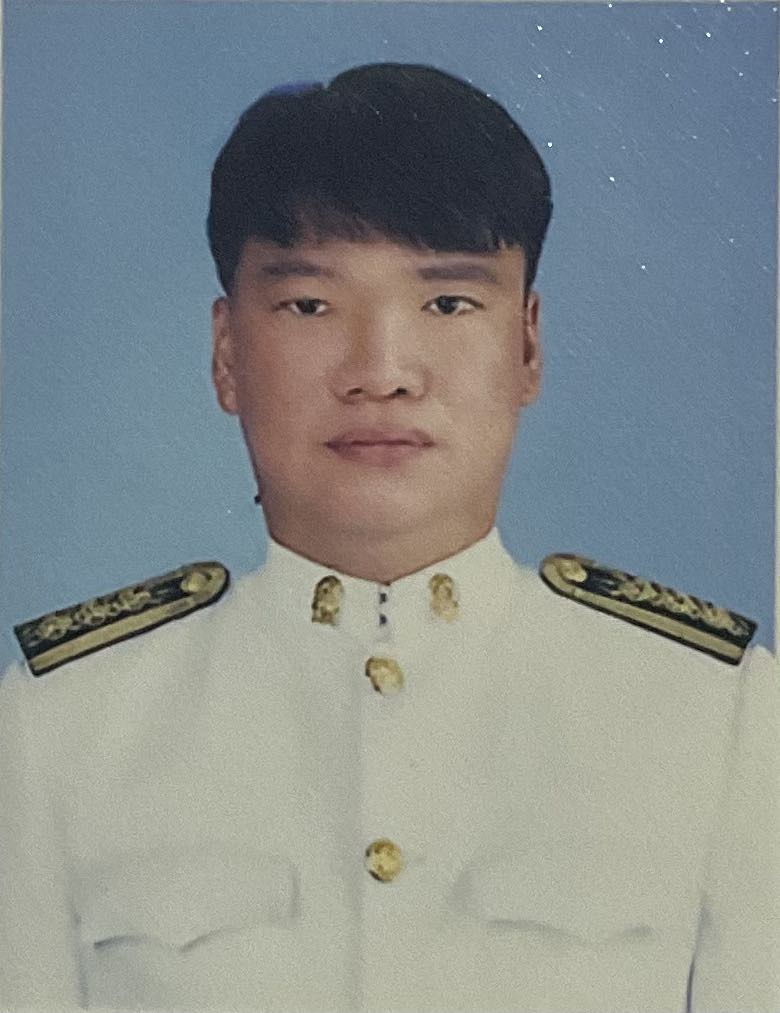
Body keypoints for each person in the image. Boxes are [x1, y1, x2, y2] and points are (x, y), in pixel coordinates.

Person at [0, 62, 776, 1013]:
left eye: (447, 303)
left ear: (528, 346)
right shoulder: (62, 723)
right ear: (227, 353)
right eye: (309, 305)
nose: (381, 372)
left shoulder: (717, 714)